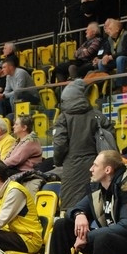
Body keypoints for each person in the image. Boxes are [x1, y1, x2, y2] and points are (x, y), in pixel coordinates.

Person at [48, 151, 127, 254]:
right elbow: (76, 208)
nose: (91, 169)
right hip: (105, 240)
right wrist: (79, 214)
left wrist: (87, 237)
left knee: (103, 238)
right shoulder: (100, 188)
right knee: (62, 224)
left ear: (107, 170)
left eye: (95, 165)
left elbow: (126, 228)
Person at [53, 78, 110, 209]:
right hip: (97, 167)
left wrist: (58, 161)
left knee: (73, 209)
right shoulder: (97, 115)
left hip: (72, 168)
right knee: (96, 207)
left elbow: (60, 144)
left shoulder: (64, 117)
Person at [93, 18, 127, 87]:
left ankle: (119, 86)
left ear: (117, 29)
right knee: (101, 63)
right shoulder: (110, 38)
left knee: (120, 59)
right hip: (119, 60)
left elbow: (126, 52)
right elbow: (107, 50)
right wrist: (105, 56)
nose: (107, 31)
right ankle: (106, 86)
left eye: (110, 29)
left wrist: (111, 57)